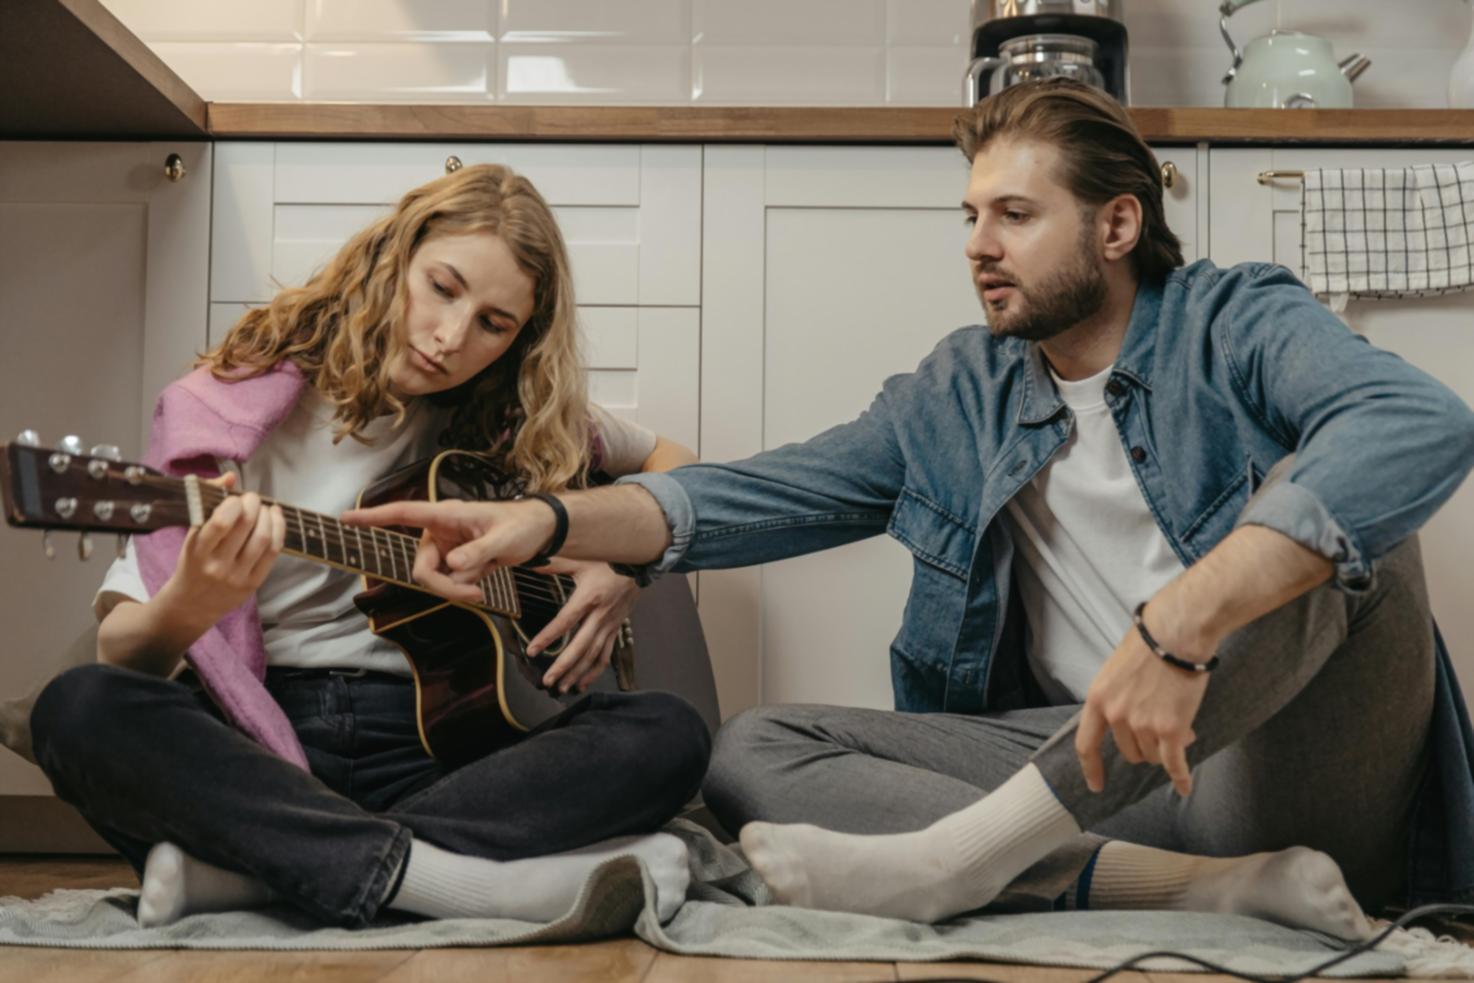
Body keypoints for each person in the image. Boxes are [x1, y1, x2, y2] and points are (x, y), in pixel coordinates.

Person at [343, 80, 1474, 938]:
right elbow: (756, 494)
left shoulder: (1235, 321)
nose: (978, 245)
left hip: (1280, 766)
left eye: (1015, 215)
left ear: (1117, 227)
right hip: (1092, 773)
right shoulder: (961, 389)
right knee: (751, 747)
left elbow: (1418, 424)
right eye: (971, 215)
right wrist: (549, 522)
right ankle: (1197, 889)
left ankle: (959, 862)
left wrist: (1181, 622)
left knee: (1322, 513)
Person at [27, 163, 711, 929]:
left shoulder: (514, 415)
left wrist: (623, 565)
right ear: (395, 256)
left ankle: (269, 875)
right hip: (261, 750)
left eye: (495, 323)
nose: (451, 337)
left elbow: (677, 468)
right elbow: (126, 654)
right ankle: (453, 881)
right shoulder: (227, 410)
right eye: (443, 287)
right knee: (78, 708)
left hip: (457, 752)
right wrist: (193, 602)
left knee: (669, 732)